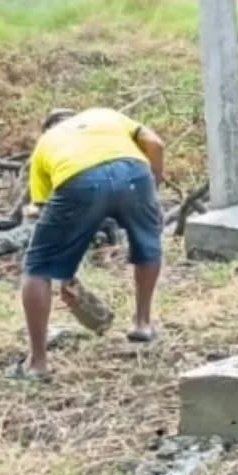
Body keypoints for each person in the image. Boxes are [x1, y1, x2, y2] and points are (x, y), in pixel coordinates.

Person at [17, 107, 167, 377]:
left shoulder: (45, 143)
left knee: (37, 268)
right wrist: (152, 190)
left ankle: (37, 363)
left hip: (79, 181)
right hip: (134, 173)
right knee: (148, 243)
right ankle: (142, 323)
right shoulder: (104, 115)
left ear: (48, 128)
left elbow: (47, 212)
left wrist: (65, 274)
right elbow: (155, 143)